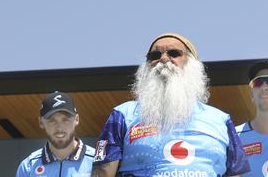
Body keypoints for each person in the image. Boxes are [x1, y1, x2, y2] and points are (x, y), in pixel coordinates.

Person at [91, 33, 250, 177]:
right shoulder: (122, 115)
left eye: (174, 53)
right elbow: (102, 173)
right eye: (155, 55)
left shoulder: (221, 120)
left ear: (191, 64)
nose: (164, 59)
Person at [16, 91, 95, 177]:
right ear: (41, 122)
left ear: (76, 119)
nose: (59, 128)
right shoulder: (28, 167)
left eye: (65, 120)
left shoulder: (97, 162)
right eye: (52, 120)